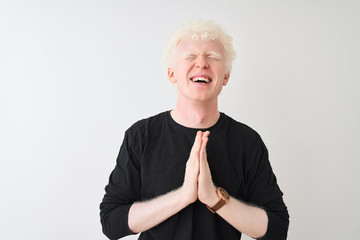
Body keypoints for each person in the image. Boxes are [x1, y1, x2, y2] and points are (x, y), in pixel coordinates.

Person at [100, 20, 289, 240]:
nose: (201, 63)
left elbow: (277, 229)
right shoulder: (141, 135)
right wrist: (183, 196)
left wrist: (214, 198)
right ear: (172, 74)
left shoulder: (247, 141)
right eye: (190, 57)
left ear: (225, 76)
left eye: (213, 57)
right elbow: (111, 222)